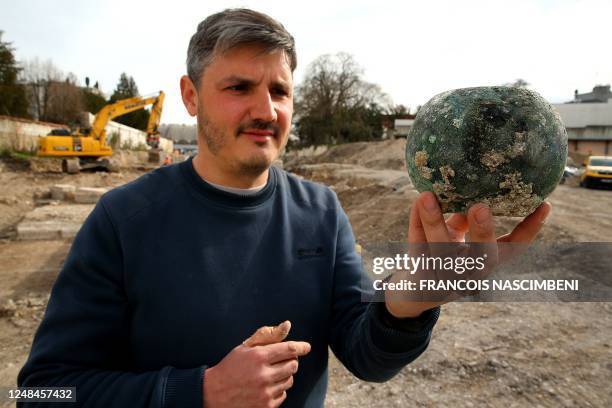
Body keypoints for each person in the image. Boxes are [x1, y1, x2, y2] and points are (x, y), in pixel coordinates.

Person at [17, 8, 550, 408]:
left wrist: (408, 305)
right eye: (239, 87)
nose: (266, 110)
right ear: (191, 95)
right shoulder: (121, 220)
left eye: (280, 89)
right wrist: (198, 390)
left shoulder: (321, 210)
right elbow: (44, 392)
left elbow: (367, 357)